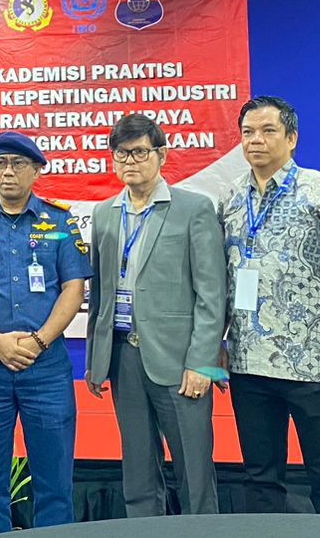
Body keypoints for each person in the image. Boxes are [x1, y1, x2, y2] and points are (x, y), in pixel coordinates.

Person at [220, 96, 320, 515]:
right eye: (248, 132)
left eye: (268, 131)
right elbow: (223, 278)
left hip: (312, 363)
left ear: (292, 137)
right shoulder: (231, 197)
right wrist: (218, 341)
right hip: (248, 362)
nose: (256, 140)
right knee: (260, 479)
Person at [0, 131, 90, 534]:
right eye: (1, 163)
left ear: (37, 170)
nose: (8, 172)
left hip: (46, 366)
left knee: (55, 480)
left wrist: (39, 341)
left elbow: (73, 288)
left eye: (19, 164)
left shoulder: (59, 222)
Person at [84, 113, 226, 517]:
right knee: (138, 469)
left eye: (140, 152)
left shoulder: (193, 209)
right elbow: (100, 294)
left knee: (194, 470)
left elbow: (212, 294)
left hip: (180, 361)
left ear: (161, 155)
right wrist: (96, 359)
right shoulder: (104, 214)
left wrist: (203, 363)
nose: (130, 161)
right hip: (123, 357)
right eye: (121, 153)